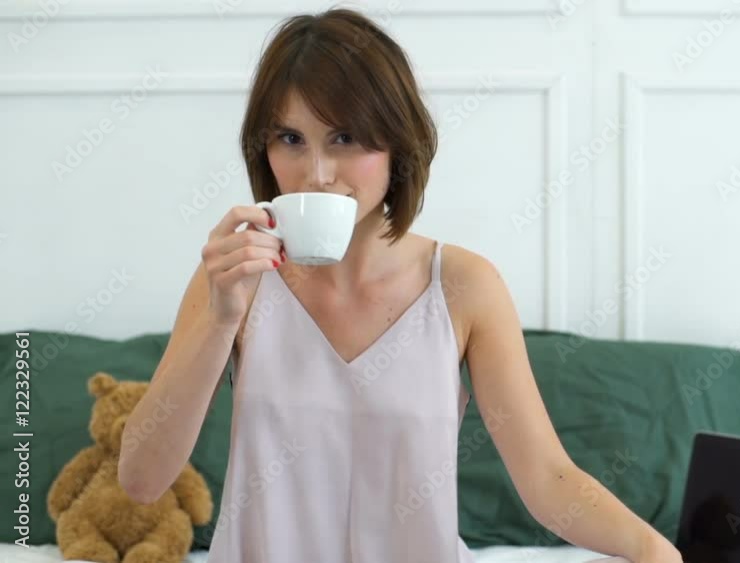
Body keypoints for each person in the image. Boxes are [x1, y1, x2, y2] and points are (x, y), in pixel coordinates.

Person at [118, 7, 682, 563]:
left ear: (397, 144)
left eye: (344, 137)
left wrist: (653, 549)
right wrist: (221, 321)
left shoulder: (465, 285)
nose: (316, 173)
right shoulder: (232, 279)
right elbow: (142, 481)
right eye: (290, 138)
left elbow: (547, 477)